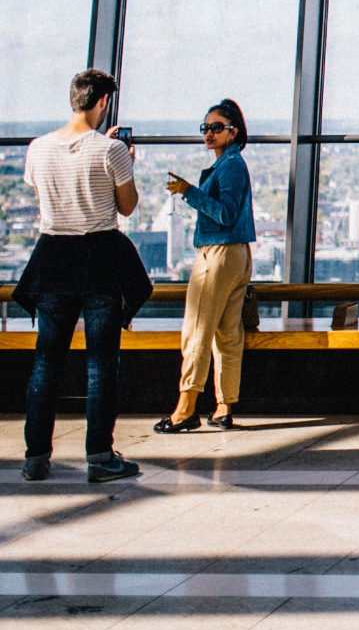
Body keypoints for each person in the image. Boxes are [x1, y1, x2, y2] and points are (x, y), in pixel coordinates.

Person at [15, 70, 144, 483]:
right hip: (99, 260)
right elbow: (126, 207)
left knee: (46, 362)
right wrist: (128, 163)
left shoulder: (38, 149)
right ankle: (100, 457)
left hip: (53, 258)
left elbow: (44, 197)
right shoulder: (111, 151)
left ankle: (36, 457)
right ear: (104, 103)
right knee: (101, 364)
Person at [155, 100, 256, 433]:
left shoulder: (229, 166)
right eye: (205, 128)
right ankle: (224, 406)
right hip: (237, 255)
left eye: (217, 127)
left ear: (234, 132)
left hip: (218, 255)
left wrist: (189, 192)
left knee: (197, 331)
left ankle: (185, 409)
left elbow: (224, 213)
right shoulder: (231, 164)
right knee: (227, 334)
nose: (209, 133)